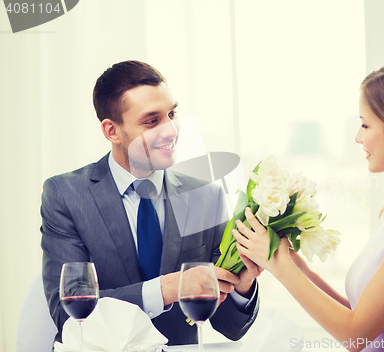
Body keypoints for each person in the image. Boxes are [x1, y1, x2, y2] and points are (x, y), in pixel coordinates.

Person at [233, 59, 384, 351]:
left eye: (365, 124)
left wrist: (278, 265)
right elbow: (368, 320)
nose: (358, 137)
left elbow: (355, 336)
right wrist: (300, 269)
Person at [41, 60, 261, 346]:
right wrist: (168, 288)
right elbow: (68, 315)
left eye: (172, 114)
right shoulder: (65, 195)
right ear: (112, 131)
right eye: (152, 120)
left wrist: (242, 287)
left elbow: (230, 327)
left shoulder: (205, 196)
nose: (171, 130)